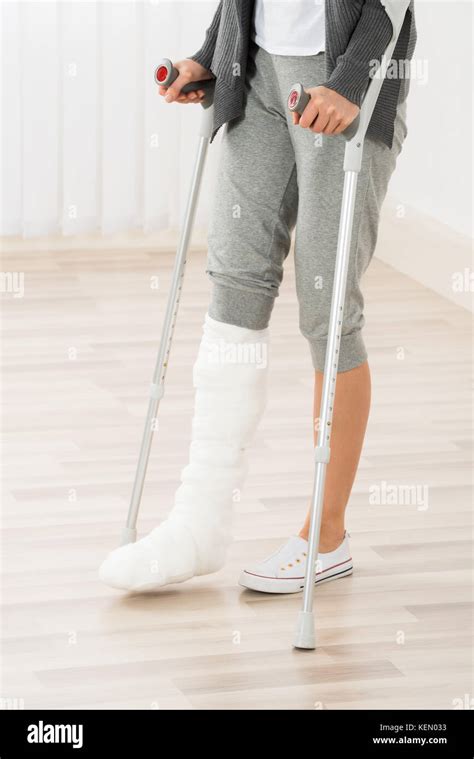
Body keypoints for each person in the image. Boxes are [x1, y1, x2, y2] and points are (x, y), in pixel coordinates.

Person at [100, 0, 417, 593]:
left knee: (328, 313)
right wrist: (210, 54)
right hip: (258, 70)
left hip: (342, 79)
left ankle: (327, 536)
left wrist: (351, 82)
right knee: (235, 285)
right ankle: (200, 523)